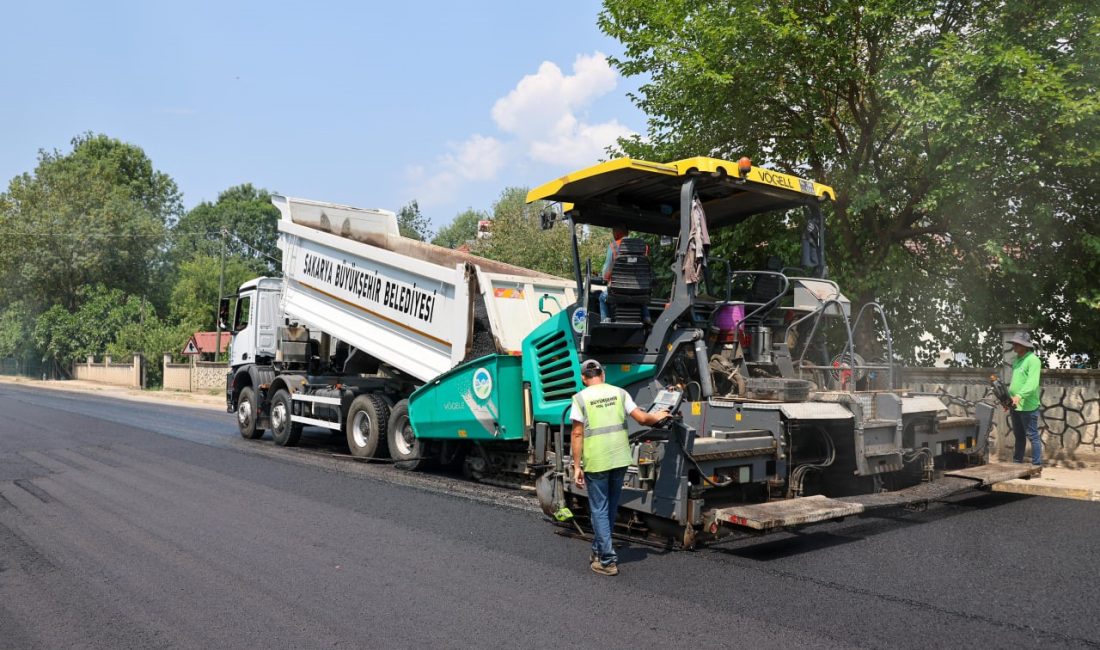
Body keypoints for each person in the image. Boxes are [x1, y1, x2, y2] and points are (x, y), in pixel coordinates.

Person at [570, 359, 668, 576]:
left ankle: (606, 560)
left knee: (599, 509)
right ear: (603, 374)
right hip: (620, 459)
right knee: (611, 507)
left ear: (583, 378)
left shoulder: (580, 398)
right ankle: (598, 549)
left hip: (597, 461)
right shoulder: (619, 393)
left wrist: (576, 466)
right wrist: (659, 416)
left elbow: (577, 433)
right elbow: (643, 419)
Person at [597, 226, 651, 324]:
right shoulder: (643, 247)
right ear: (627, 233)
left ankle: (606, 320)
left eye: (613, 233)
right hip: (639, 291)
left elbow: (607, 270)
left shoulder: (613, 246)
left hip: (617, 292)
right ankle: (646, 317)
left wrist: (605, 277)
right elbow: (645, 268)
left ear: (617, 233)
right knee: (640, 296)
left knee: (601, 297)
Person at [1007, 331, 1042, 469]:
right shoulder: (1017, 360)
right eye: (1014, 343)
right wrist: (1009, 400)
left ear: (1024, 345)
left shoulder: (1033, 360)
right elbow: (1016, 383)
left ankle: (1036, 465)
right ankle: (1017, 463)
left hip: (1028, 406)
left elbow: (1032, 384)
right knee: (1019, 436)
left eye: (1017, 343)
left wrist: (1019, 396)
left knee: (1032, 436)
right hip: (1015, 405)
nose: (1014, 346)